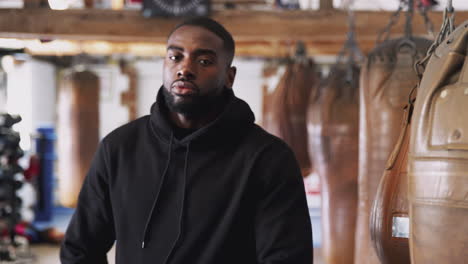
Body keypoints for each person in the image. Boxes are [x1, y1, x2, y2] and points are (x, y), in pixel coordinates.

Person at [60, 17, 313, 264]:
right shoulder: (119, 148)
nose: (185, 69)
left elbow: (287, 258)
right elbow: (80, 249)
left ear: (229, 76)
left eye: (204, 61)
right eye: (175, 57)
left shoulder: (268, 159)